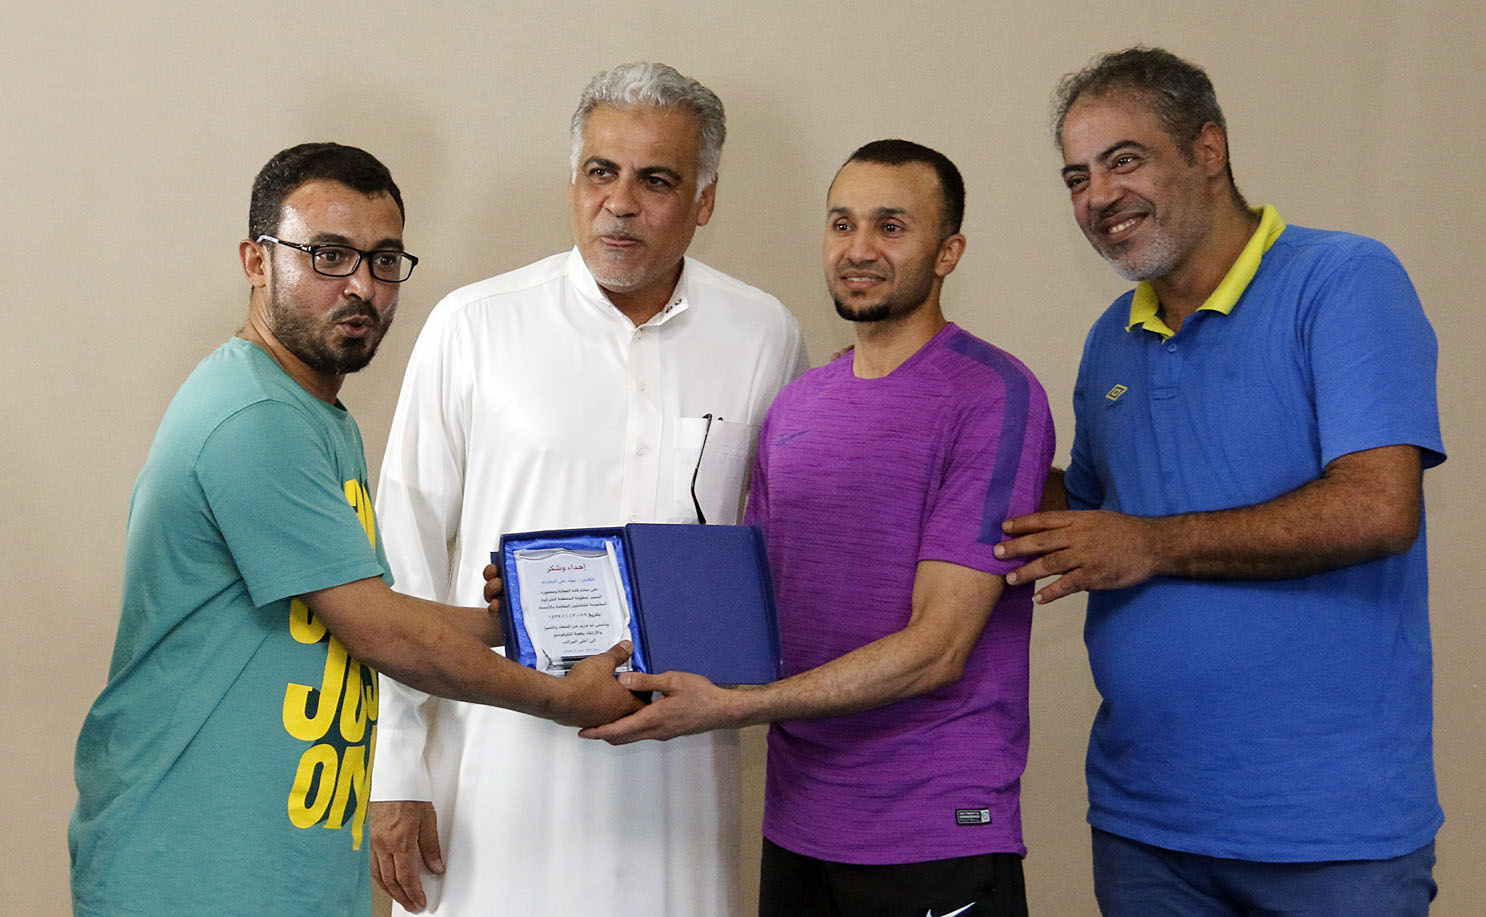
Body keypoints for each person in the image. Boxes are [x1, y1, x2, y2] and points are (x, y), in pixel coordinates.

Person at [67, 143, 640, 917]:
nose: (362, 286)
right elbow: (384, 635)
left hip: (275, 866)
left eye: (383, 260)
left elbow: (362, 609)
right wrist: (562, 697)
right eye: (328, 255)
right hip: (195, 868)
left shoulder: (311, 412)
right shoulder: (255, 420)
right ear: (257, 261)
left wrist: (506, 624)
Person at [993, 47, 1444, 915]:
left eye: (1124, 160)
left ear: (1209, 148)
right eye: (1077, 177)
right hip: (1147, 827)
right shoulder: (1111, 339)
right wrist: (934, 433)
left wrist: (1150, 544)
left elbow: (1378, 507)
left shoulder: (1343, 280)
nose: (1098, 196)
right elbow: (1087, 520)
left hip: (1331, 834)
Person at [368, 63, 808, 915]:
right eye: (601, 172)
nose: (620, 203)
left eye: (656, 180)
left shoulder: (764, 335)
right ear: (572, 181)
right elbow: (403, 553)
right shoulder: (475, 325)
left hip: (679, 778)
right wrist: (397, 767)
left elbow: (773, 554)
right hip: (499, 769)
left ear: (705, 200)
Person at [584, 139, 1054, 917]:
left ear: (948, 252)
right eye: (842, 224)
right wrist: (561, 606)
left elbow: (938, 647)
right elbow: (745, 609)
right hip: (799, 823)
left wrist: (731, 706)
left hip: (933, 828)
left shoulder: (994, 395)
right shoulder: (798, 404)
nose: (858, 248)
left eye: (890, 227)